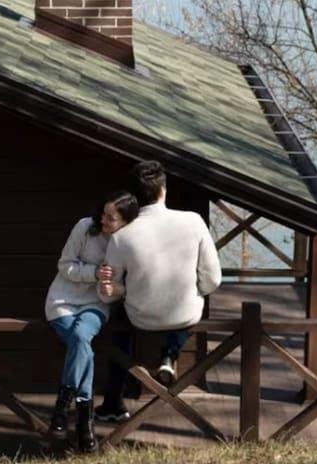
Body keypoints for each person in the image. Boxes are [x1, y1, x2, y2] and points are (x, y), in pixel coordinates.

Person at [96, 160, 222, 420]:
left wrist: (122, 288)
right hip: (184, 314)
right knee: (190, 302)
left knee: (119, 325)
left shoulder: (122, 236)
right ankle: (170, 354)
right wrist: (195, 289)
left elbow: (110, 290)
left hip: (140, 317)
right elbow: (213, 280)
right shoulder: (193, 221)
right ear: (163, 190)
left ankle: (113, 403)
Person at [44, 190, 140, 452]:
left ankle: (62, 409)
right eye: (104, 213)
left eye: (111, 218)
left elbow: (127, 284)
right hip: (63, 302)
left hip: (96, 305)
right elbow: (65, 265)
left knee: (80, 338)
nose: (104, 220)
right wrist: (95, 273)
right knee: (82, 345)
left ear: (125, 222)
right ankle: (85, 424)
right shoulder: (85, 227)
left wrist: (113, 289)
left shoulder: (127, 243)